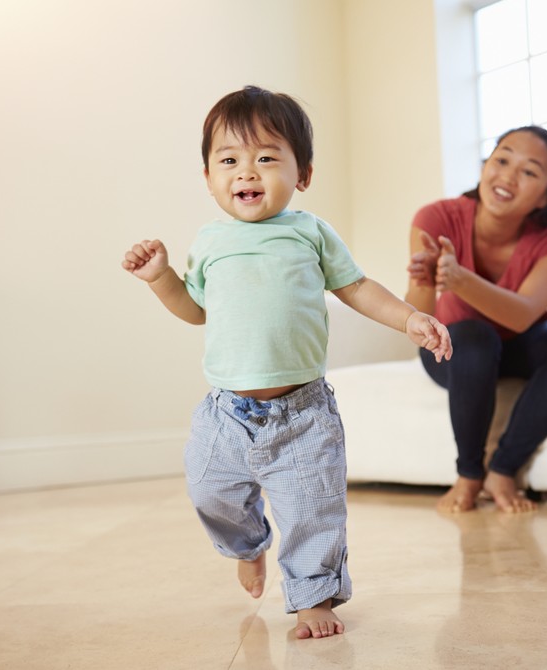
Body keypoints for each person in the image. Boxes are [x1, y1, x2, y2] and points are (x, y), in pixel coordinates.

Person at [122, 85, 453, 639]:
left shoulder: (309, 232)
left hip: (302, 412)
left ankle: (313, 597)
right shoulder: (209, 243)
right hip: (226, 412)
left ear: (303, 174)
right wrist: (161, 277)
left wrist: (409, 320)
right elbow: (195, 310)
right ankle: (247, 544)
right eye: (229, 160)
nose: (246, 172)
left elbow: (357, 288)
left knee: (313, 510)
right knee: (209, 489)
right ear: (208, 177)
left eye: (267, 158)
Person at [406, 125, 547, 514]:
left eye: (529, 171)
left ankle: (504, 469)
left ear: (546, 195)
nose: (509, 175)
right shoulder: (436, 217)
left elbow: (525, 314)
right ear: (486, 165)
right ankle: (470, 473)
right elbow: (420, 315)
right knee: (475, 338)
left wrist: (460, 278)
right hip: (453, 349)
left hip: (517, 343)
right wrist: (425, 277)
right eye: (502, 159)